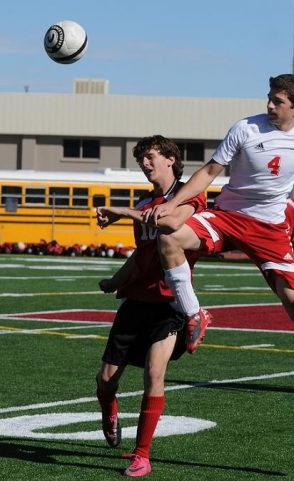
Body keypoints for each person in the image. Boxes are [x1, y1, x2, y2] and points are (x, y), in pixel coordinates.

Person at [147, 74, 294, 428]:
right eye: (269, 98)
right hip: (227, 216)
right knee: (167, 235)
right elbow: (211, 171)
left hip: (270, 231)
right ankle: (194, 314)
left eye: (277, 101)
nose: (269, 105)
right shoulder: (245, 129)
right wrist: (175, 203)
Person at [94, 135, 207, 477]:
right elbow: (141, 257)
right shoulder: (144, 202)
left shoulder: (190, 196)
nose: (145, 163)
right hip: (137, 302)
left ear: (171, 159)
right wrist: (116, 281)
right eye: (141, 158)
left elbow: (169, 223)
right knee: (105, 380)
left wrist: (124, 211)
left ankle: (142, 454)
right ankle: (109, 407)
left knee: (155, 374)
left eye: (151, 156)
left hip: (171, 304)